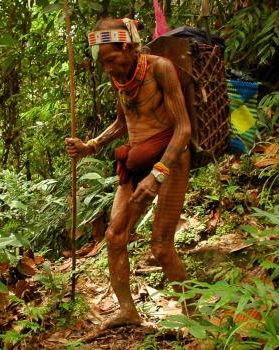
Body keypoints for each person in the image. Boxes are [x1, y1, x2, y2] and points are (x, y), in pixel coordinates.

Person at [65, 18, 192, 329]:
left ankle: (196, 316)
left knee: (161, 246)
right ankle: (128, 312)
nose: (108, 68)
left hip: (170, 160)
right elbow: (123, 123)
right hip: (136, 164)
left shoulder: (160, 68)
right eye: (103, 63)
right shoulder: (119, 78)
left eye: (111, 59)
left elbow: (184, 128)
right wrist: (90, 145)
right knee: (114, 236)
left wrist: (158, 174)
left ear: (127, 47)